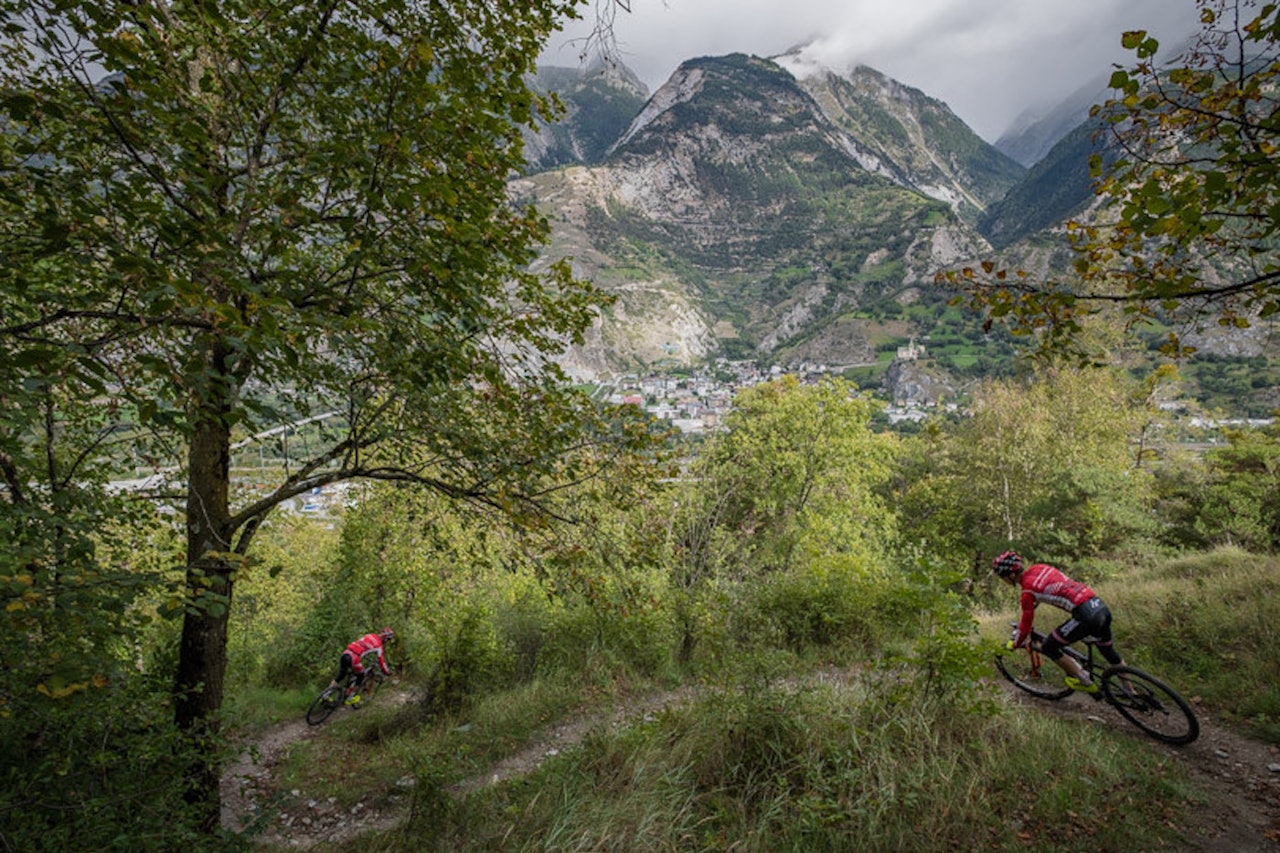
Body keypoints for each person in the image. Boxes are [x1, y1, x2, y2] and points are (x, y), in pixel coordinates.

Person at [992, 551, 1123, 693]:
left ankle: (1086, 683)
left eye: (1002, 576)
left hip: (1085, 616)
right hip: (1099, 606)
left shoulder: (1027, 592)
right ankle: (1131, 692)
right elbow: (1051, 586)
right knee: (1109, 652)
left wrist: (1015, 644)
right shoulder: (1039, 567)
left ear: (1011, 575)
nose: (1002, 580)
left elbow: (1026, 623)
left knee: (1049, 647)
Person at [329, 627, 395, 707]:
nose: (388, 641)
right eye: (388, 640)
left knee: (341, 674)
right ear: (386, 638)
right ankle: (350, 698)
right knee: (361, 676)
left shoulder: (370, 635)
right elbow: (382, 662)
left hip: (346, 653)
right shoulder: (379, 646)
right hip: (354, 658)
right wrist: (387, 672)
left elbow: (362, 646)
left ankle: (326, 695)